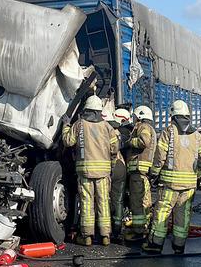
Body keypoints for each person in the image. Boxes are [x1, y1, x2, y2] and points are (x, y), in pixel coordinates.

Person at [143, 100, 201, 255]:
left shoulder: (169, 131)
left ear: (173, 115)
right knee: (183, 215)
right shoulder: (197, 136)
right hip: (189, 185)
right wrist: (197, 176)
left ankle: (155, 245)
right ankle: (179, 246)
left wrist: (154, 173)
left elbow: (160, 155)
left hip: (170, 183)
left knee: (162, 213)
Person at [62, 95, 118, 246]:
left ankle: (87, 237)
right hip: (103, 172)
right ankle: (105, 236)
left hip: (85, 170)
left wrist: (66, 125)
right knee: (103, 202)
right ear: (99, 110)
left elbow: (68, 141)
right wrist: (110, 161)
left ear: (86, 109)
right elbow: (115, 147)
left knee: (87, 202)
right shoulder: (107, 127)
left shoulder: (80, 124)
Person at [125, 105, 156, 241]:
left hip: (138, 172)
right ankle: (145, 227)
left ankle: (138, 231)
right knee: (145, 201)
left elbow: (144, 141)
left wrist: (128, 141)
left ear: (140, 116)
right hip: (143, 172)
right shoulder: (151, 128)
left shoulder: (143, 127)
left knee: (137, 202)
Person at [109, 108, 133, 238]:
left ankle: (110, 226)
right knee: (118, 199)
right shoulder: (127, 132)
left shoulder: (114, 131)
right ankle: (117, 227)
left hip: (113, 167)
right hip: (123, 168)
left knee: (106, 198)